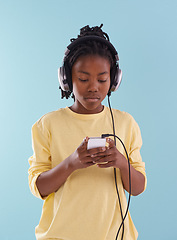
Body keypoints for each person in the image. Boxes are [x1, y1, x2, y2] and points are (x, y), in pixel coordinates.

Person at [28, 24, 147, 240]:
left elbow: (137, 188)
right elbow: (39, 188)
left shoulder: (126, 123)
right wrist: (71, 163)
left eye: (102, 80)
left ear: (114, 81)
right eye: (83, 79)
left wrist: (121, 162)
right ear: (66, 79)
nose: (93, 87)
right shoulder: (47, 124)